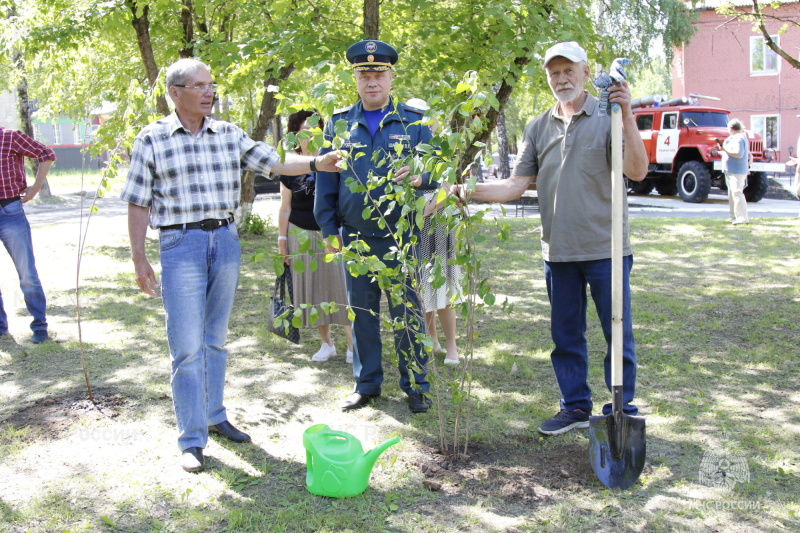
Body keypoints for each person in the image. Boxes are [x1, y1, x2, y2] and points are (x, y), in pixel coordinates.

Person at [121, 58, 341, 472]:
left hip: (224, 239)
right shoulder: (151, 139)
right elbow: (137, 202)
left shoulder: (228, 133)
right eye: (200, 86)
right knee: (186, 348)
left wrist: (316, 162)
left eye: (212, 85)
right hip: (179, 242)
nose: (210, 92)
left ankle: (215, 416)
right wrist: (139, 257)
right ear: (175, 93)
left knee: (216, 340)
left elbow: (275, 163)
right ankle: (191, 439)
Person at [453, 42, 648, 435]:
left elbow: (638, 171)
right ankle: (575, 408)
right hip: (557, 251)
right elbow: (514, 185)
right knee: (565, 335)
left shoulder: (608, 115)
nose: (562, 79)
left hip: (606, 249)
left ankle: (621, 409)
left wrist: (626, 113)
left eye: (568, 70)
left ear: (585, 70)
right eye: (554, 72)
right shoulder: (537, 127)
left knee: (617, 334)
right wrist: (462, 190)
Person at [314, 40, 434, 413]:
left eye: (379, 74)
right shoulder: (337, 124)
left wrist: (419, 174)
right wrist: (328, 230)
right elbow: (326, 182)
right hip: (355, 238)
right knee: (362, 314)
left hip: (403, 238)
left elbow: (435, 175)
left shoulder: (414, 123)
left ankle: (416, 384)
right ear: (355, 78)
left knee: (407, 314)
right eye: (364, 74)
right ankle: (366, 384)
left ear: (391, 77)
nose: (372, 82)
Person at [277, 111, 353, 362]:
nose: (311, 135)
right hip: (301, 233)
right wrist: (282, 241)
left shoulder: (333, 159)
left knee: (342, 289)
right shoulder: (289, 165)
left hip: (332, 232)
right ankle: (327, 344)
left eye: (316, 129)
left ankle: (353, 346)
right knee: (315, 290)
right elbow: (285, 207)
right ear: (295, 135)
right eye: (305, 130)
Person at [406, 98, 462, 366]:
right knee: (420, 287)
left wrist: (423, 211)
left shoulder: (440, 150)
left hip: (437, 224)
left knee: (442, 288)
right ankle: (432, 340)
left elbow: (447, 187)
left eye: (423, 117)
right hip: (411, 225)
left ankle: (451, 347)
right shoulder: (404, 151)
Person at [0, 127, 56, 344]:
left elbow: (46, 154)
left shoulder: (9, 136)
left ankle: (39, 326)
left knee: (27, 273)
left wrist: (35, 188)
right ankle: (1, 328)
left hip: (10, 211)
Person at [717, 119, 750, 225]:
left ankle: (742, 218)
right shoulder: (734, 138)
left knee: (736, 193)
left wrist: (725, 150)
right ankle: (734, 216)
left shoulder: (739, 138)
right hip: (731, 170)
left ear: (730, 128)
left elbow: (738, 153)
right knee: (732, 194)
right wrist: (722, 152)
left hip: (737, 171)